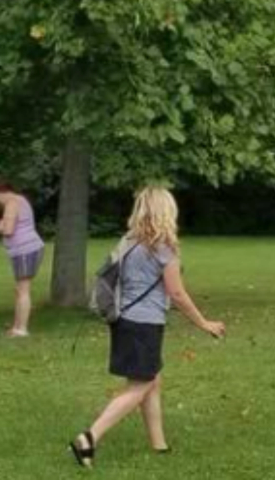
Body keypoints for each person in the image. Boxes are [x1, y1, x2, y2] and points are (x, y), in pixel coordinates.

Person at [71, 187, 225, 469]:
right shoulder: (165, 248)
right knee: (140, 386)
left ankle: (159, 445)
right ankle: (89, 437)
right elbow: (177, 294)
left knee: (151, 381)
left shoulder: (129, 241)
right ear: (167, 211)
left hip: (124, 321)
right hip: (144, 325)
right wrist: (205, 323)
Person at [0, 178, 45, 337]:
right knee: (19, 290)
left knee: (23, 290)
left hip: (25, 249)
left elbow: (8, 231)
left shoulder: (12, 204)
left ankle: (22, 329)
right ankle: (16, 326)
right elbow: (10, 224)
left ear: (1, 193)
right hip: (26, 249)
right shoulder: (19, 200)